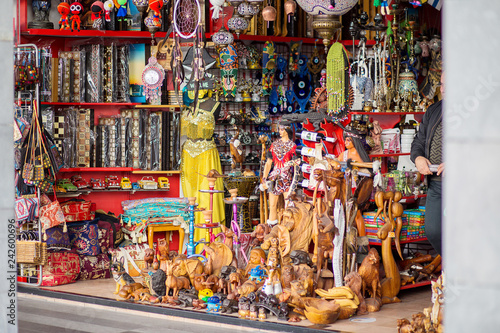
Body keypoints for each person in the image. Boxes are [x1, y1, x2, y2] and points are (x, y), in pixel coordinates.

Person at [410, 73, 444, 255]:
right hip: (437, 185)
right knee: (433, 230)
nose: (444, 89)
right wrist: (418, 158)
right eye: (443, 84)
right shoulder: (434, 110)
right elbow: (418, 142)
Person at [261, 125, 298, 226]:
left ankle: (287, 227)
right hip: (274, 177)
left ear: (287, 130)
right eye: (279, 129)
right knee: (272, 205)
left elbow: (296, 163)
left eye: (282, 129)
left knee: (288, 205)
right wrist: (264, 178)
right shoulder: (274, 145)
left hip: (287, 177)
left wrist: (294, 183)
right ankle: (272, 228)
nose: (280, 132)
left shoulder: (293, 146)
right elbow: (268, 163)